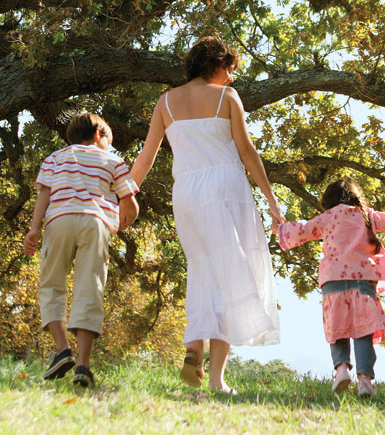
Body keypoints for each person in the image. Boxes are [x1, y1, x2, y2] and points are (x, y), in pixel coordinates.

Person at [130, 36, 282, 393]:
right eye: (229, 70)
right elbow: (246, 151)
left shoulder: (165, 102)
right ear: (215, 65)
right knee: (230, 274)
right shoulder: (227, 97)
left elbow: (147, 157)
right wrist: (271, 198)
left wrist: (123, 195)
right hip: (226, 186)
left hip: (186, 192)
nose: (232, 78)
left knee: (203, 269)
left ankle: (194, 347)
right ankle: (216, 379)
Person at [276, 178, 385, 397]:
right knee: (363, 331)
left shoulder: (327, 217)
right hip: (362, 280)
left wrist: (279, 228)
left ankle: (341, 369)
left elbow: (302, 230)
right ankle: (365, 380)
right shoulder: (367, 215)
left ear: (329, 199)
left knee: (336, 329)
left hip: (333, 281)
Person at [23, 113, 139, 388]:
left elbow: (44, 194)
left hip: (59, 220)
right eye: (108, 140)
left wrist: (33, 229)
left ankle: (63, 349)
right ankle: (83, 365)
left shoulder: (55, 158)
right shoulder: (113, 161)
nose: (109, 146)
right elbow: (130, 202)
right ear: (99, 134)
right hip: (95, 224)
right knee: (91, 286)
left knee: (51, 284)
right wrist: (125, 221)